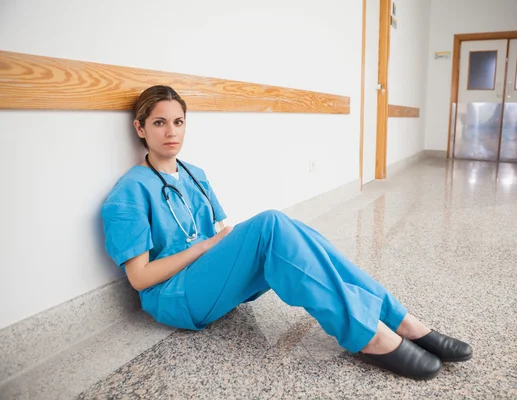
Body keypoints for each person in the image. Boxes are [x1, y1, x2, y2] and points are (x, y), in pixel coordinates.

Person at [101, 85, 472, 381]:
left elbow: (214, 237)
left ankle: (400, 320)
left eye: (178, 122)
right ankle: (368, 336)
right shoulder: (128, 192)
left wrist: (215, 247)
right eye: (159, 123)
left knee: (295, 230)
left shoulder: (194, 173)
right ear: (140, 128)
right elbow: (139, 278)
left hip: (211, 283)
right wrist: (210, 247)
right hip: (175, 298)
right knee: (271, 223)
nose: (171, 132)